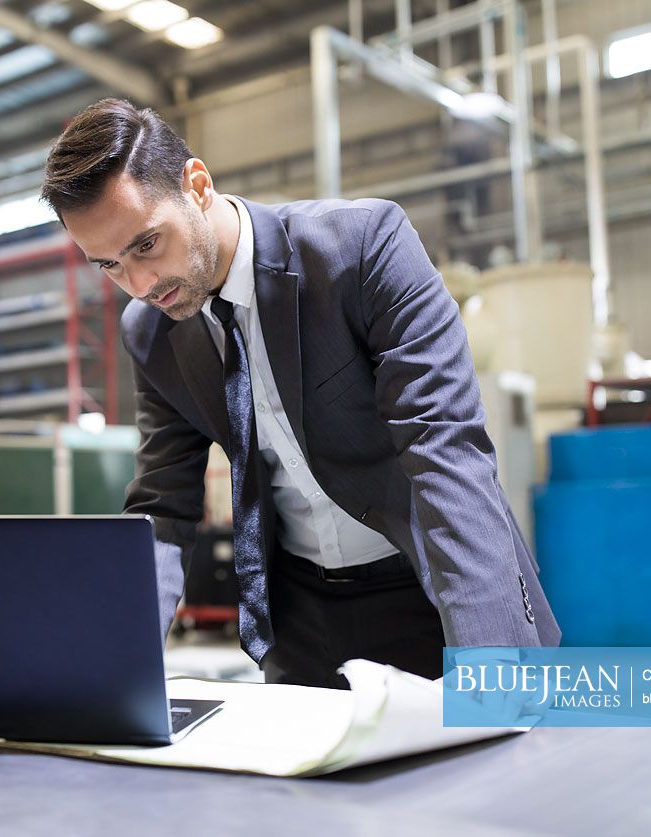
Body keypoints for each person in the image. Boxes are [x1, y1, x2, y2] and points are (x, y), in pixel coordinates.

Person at [40, 99, 559, 689]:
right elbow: (163, 505)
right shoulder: (151, 331)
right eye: (107, 265)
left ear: (197, 184)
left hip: (431, 591)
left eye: (147, 245)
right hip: (300, 623)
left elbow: (446, 456)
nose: (139, 284)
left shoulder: (363, 249)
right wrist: (114, 674)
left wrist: (492, 673)